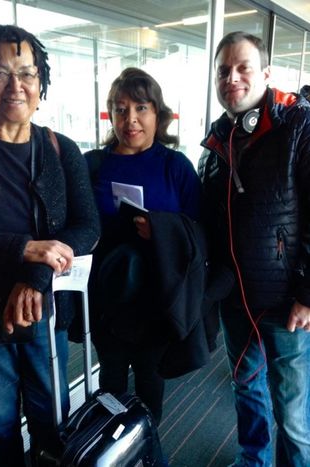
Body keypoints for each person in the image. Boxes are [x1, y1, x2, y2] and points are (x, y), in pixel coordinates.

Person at [0, 23, 100, 467]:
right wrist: (22, 249)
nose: (15, 86)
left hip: (45, 316)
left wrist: (36, 276)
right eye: (0, 72)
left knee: (52, 423)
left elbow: (87, 226)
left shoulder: (61, 150)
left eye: (27, 73)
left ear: (41, 81)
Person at [199, 31, 310, 466]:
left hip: (287, 301)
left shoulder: (298, 126)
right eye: (223, 70)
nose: (232, 78)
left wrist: (307, 294)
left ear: (265, 73)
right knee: (245, 386)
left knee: (292, 409)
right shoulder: (216, 143)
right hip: (236, 299)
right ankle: (254, 460)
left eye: (243, 67)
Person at [84, 67, 208, 427]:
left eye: (141, 108)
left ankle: (145, 451)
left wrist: (162, 230)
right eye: (120, 109)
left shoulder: (175, 167)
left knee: (150, 388)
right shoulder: (94, 165)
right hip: (109, 298)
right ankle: (110, 450)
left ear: (158, 114)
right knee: (110, 385)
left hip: (156, 300)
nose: (131, 119)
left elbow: (199, 234)